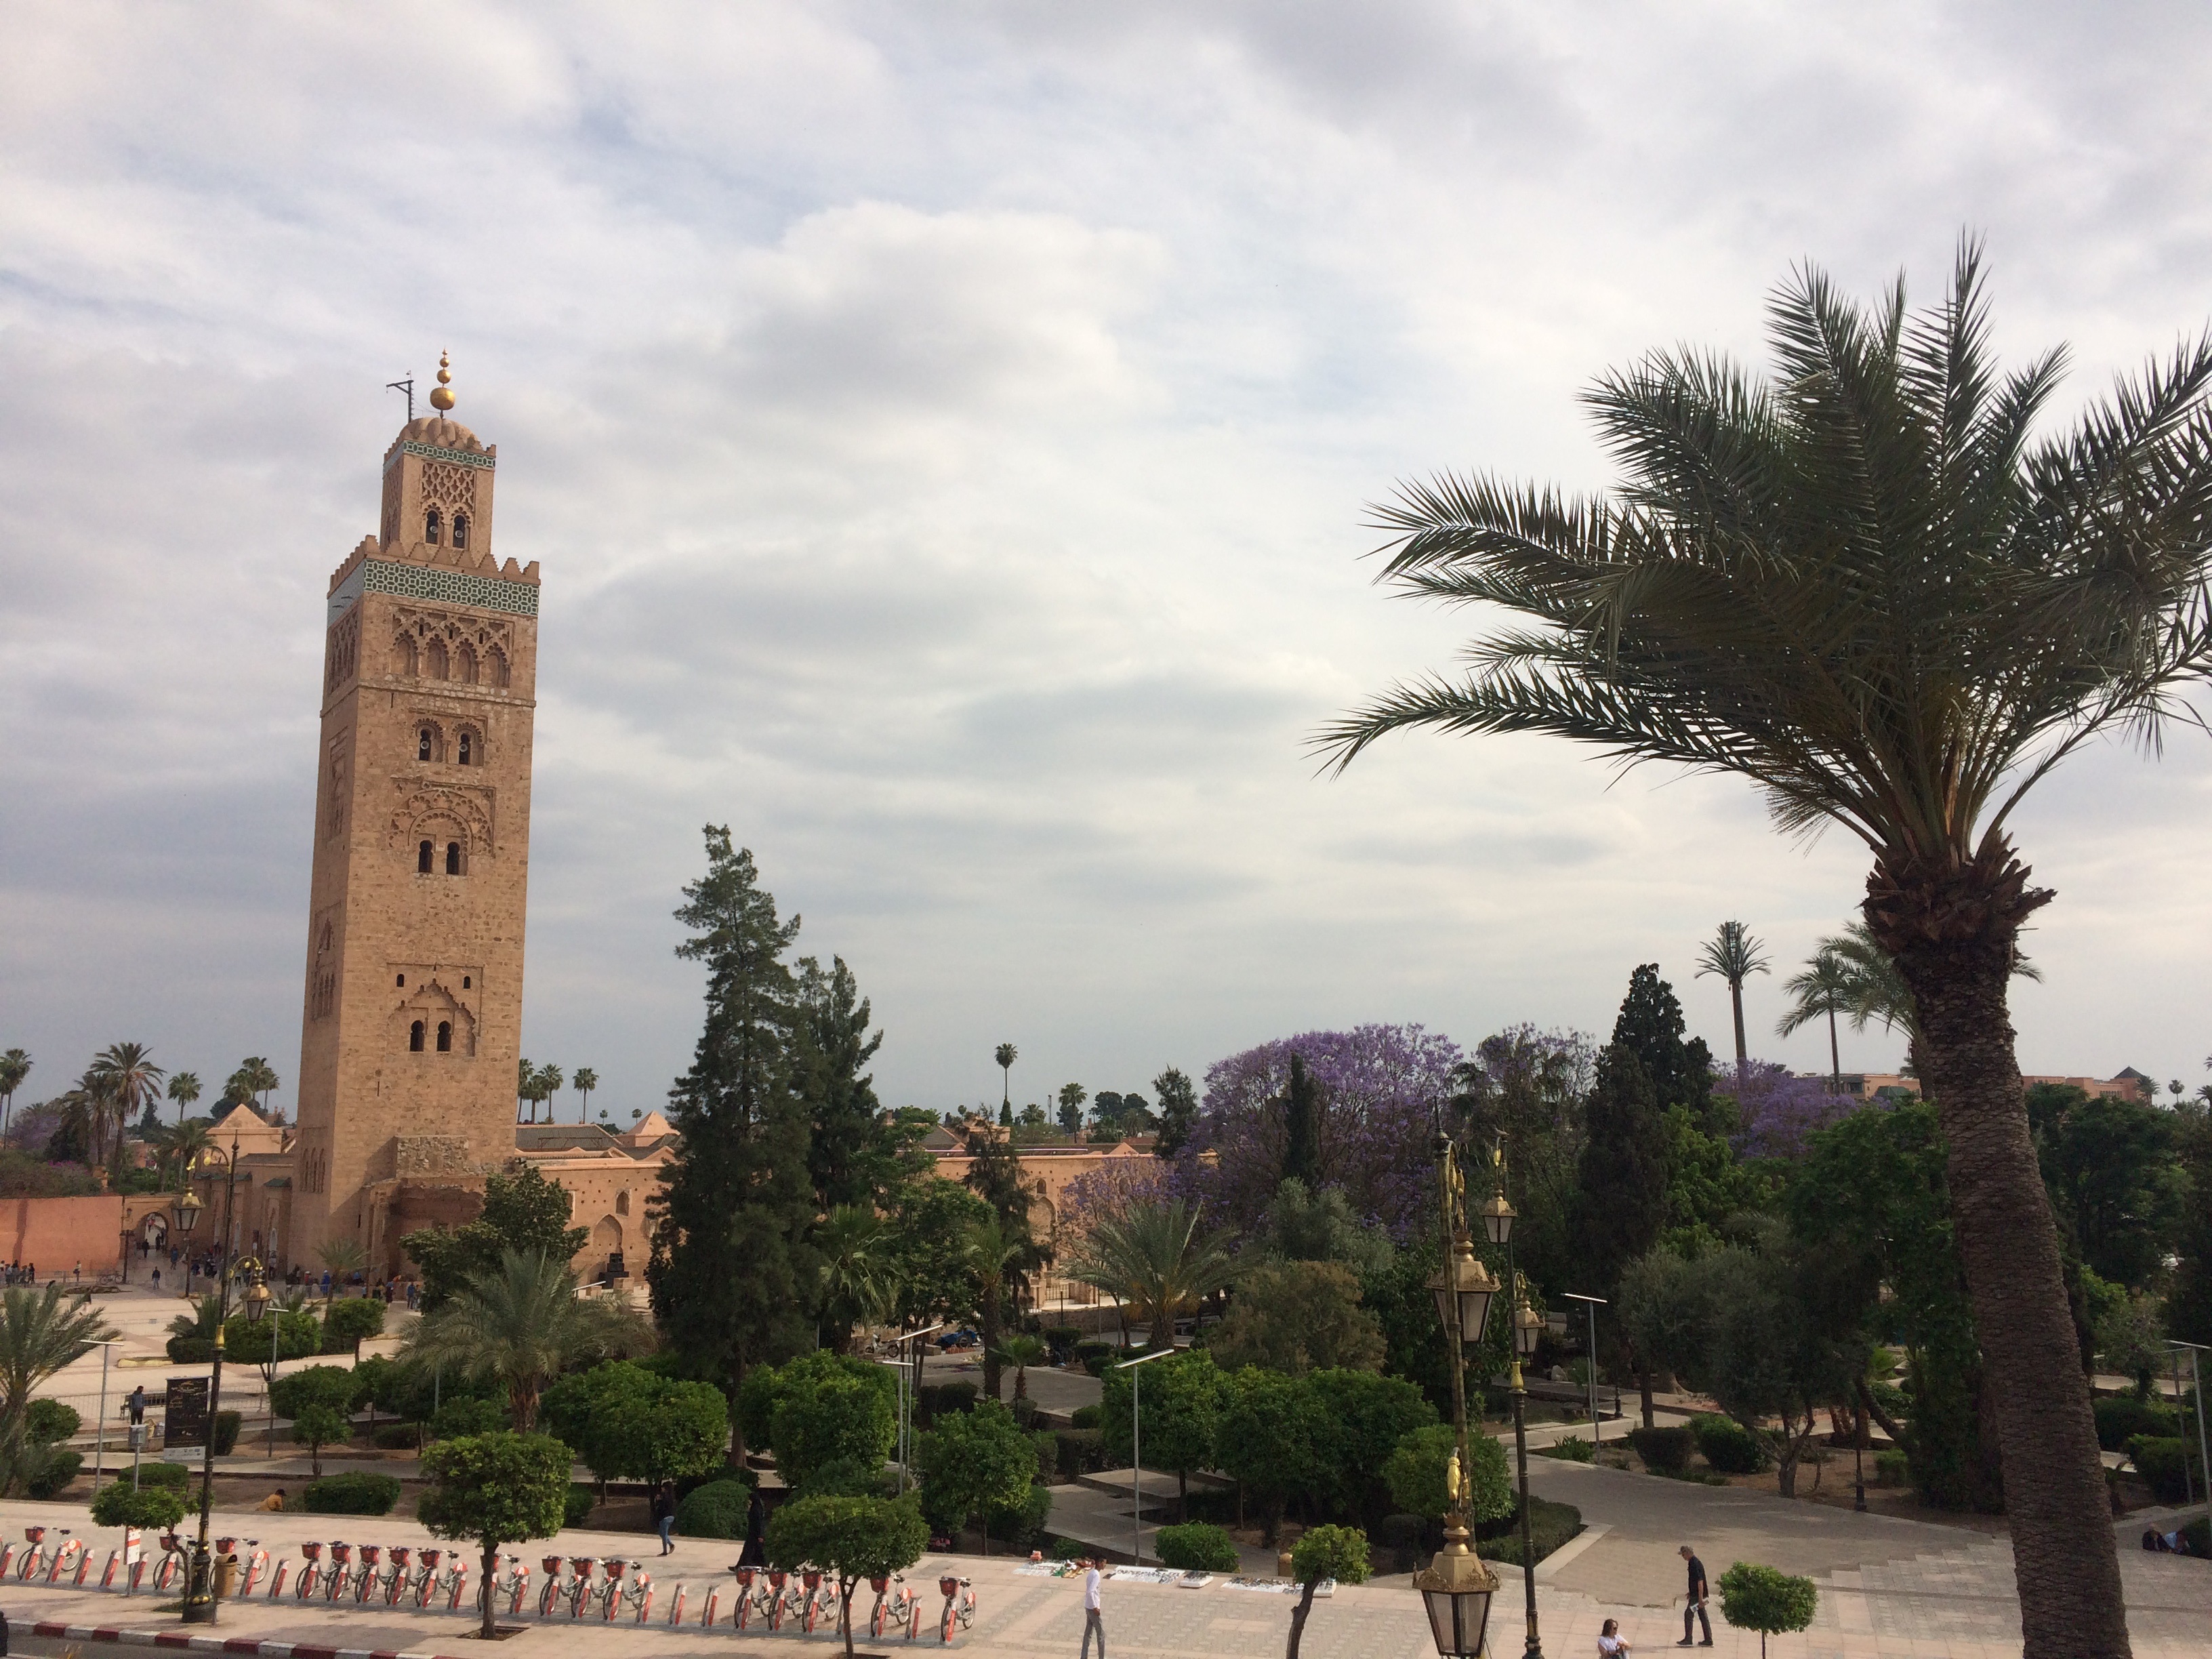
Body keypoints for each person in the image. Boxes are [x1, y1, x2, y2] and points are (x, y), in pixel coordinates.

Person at [1677, 1545, 1711, 1646]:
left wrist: (1700, 1599)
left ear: (1688, 1553)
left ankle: (1688, 1639)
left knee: (1688, 1614)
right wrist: (1690, 1592)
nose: (1683, 1556)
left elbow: (1700, 1582)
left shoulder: (1695, 1564)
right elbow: (1694, 1582)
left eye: (1683, 1554)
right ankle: (1708, 1639)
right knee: (1702, 1615)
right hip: (1696, 1595)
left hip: (1697, 1597)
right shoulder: (1693, 1562)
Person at [1081, 1557, 1105, 1659]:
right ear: (1099, 1563)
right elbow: (1091, 1591)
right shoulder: (1096, 1575)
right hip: (1093, 1608)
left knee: (1088, 1633)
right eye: (1104, 1563)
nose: (1105, 1565)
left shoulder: (1092, 1573)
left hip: (1088, 1606)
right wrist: (1095, 1607)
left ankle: (1084, 1656)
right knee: (1101, 1634)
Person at [652, 1481, 676, 1555]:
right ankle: (671, 1545)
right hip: (670, 1517)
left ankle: (665, 1551)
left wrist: (659, 1500)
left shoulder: (665, 1497)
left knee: (664, 1534)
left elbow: (662, 1507)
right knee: (662, 1533)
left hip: (665, 1518)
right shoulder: (671, 1496)